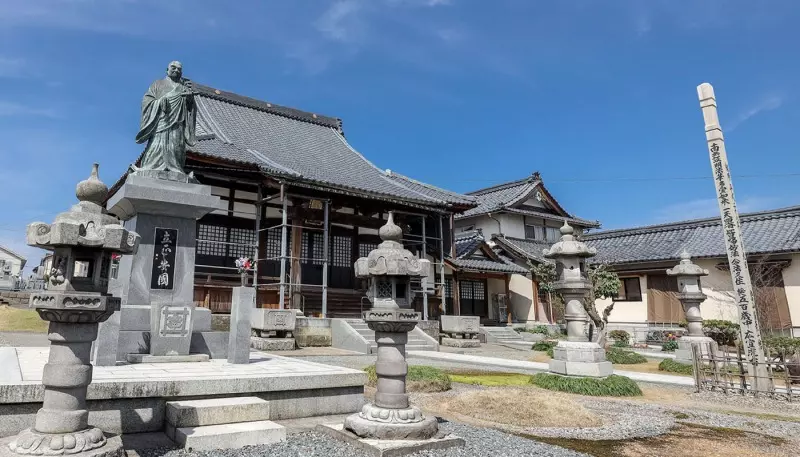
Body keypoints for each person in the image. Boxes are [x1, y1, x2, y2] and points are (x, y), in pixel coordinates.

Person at [133, 61, 196, 174]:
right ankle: (151, 166)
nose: (176, 70)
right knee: (156, 147)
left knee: (176, 147)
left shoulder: (183, 88)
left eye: (179, 69)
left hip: (177, 124)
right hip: (160, 123)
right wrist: (159, 102)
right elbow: (146, 101)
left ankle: (176, 168)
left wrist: (190, 99)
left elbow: (191, 108)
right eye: (173, 68)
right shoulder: (157, 84)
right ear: (166, 70)